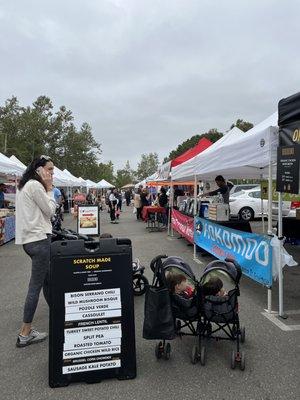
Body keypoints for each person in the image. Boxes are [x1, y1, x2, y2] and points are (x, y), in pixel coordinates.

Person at [15, 155, 57, 347]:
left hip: (29, 240)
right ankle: (25, 332)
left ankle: (58, 314)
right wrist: (49, 189)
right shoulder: (37, 186)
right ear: (39, 169)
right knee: (36, 286)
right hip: (39, 239)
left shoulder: (24, 186)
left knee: (47, 279)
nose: (51, 173)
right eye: (49, 169)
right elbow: (50, 210)